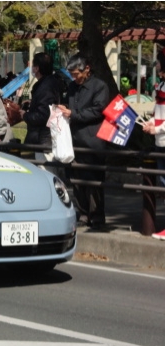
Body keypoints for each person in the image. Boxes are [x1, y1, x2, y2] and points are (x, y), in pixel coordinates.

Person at [57, 53, 109, 230]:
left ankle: (97, 216)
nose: (74, 77)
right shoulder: (72, 87)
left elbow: (99, 110)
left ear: (86, 69)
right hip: (74, 139)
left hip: (93, 138)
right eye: (71, 74)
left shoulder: (99, 86)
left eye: (76, 73)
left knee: (94, 180)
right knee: (77, 179)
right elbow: (68, 105)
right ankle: (83, 213)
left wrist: (74, 114)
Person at [23, 52, 62, 165]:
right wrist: (33, 103)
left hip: (44, 138)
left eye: (32, 66)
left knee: (45, 171)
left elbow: (43, 115)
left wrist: (24, 115)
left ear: (37, 68)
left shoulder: (46, 87)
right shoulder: (50, 83)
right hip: (44, 137)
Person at [142, 54, 165, 240]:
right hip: (160, 142)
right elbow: (158, 112)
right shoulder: (162, 85)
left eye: (157, 62)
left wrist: (156, 128)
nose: (155, 64)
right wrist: (151, 123)